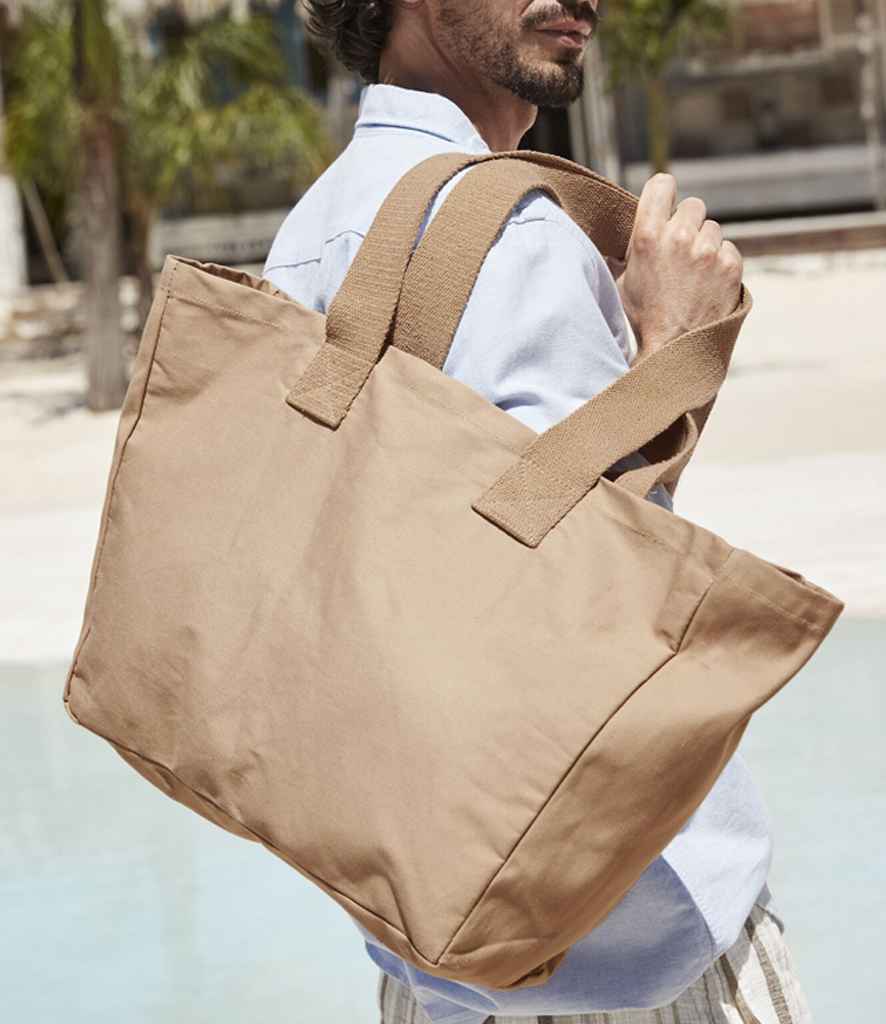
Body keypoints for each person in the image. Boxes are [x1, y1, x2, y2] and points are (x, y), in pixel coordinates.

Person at [262, 2, 813, 1022]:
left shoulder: (312, 230)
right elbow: (588, 607)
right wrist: (672, 352)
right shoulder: (515, 235)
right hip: (630, 938)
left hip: (431, 949)